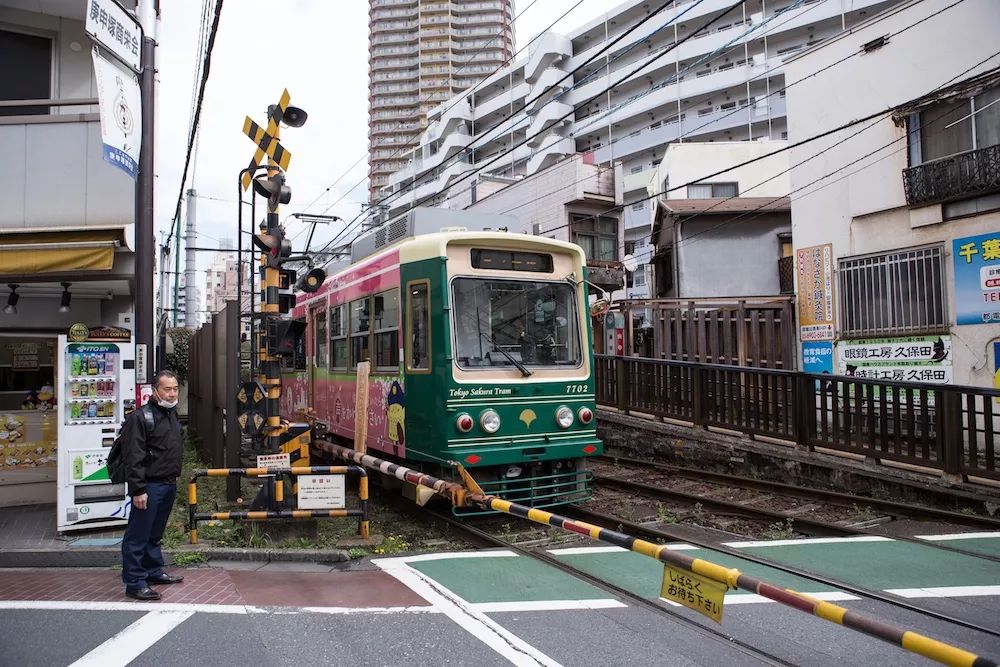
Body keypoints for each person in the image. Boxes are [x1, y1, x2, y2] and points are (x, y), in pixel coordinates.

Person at [120, 370, 185, 601]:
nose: (172, 393)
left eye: (175, 388)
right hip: (149, 486)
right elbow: (133, 456)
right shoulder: (140, 417)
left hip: (168, 484)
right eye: (167, 389)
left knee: (154, 533)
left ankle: (152, 570)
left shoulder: (171, 415)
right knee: (138, 535)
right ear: (155, 391)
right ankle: (135, 582)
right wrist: (138, 489)